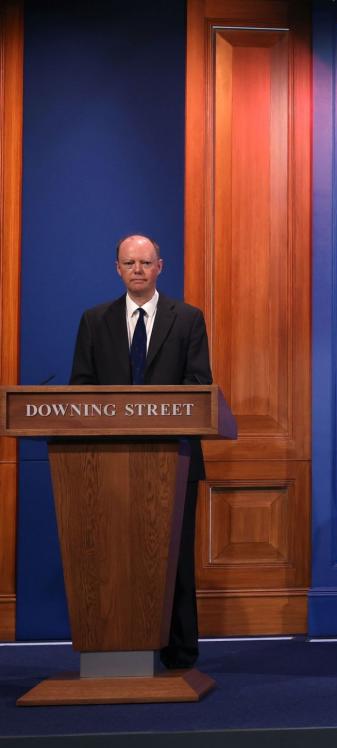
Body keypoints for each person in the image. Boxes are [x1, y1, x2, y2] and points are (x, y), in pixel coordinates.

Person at [70, 233, 213, 670]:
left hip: (174, 460)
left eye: (145, 263)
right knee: (112, 557)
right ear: (117, 268)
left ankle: (179, 651)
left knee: (174, 560)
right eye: (129, 263)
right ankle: (117, 644)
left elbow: (197, 385)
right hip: (107, 465)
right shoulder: (95, 321)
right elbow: (81, 387)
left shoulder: (187, 319)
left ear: (159, 267)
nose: (137, 270)